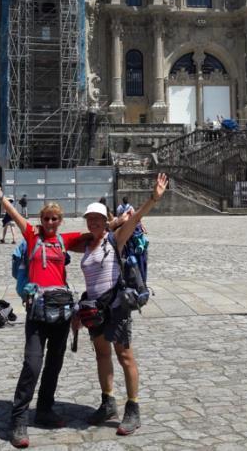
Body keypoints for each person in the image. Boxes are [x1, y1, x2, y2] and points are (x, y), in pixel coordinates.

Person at [0, 174, 91, 449]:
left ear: (60, 221)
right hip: (36, 311)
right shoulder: (32, 236)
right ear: (41, 220)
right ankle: (18, 418)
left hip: (61, 311)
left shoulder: (63, 240)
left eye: (55, 219)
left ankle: (44, 409)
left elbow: (93, 235)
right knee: (33, 365)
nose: (50, 222)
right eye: (47, 218)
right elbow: (13, 212)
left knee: (54, 364)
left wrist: (121, 221)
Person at [80, 173, 168, 436]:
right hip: (94, 307)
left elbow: (136, 218)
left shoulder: (113, 240)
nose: (93, 223)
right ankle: (108, 402)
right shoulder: (86, 244)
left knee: (124, 356)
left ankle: (133, 408)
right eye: (90, 219)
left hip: (116, 305)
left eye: (98, 219)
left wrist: (153, 198)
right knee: (102, 354)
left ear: (106, 222)